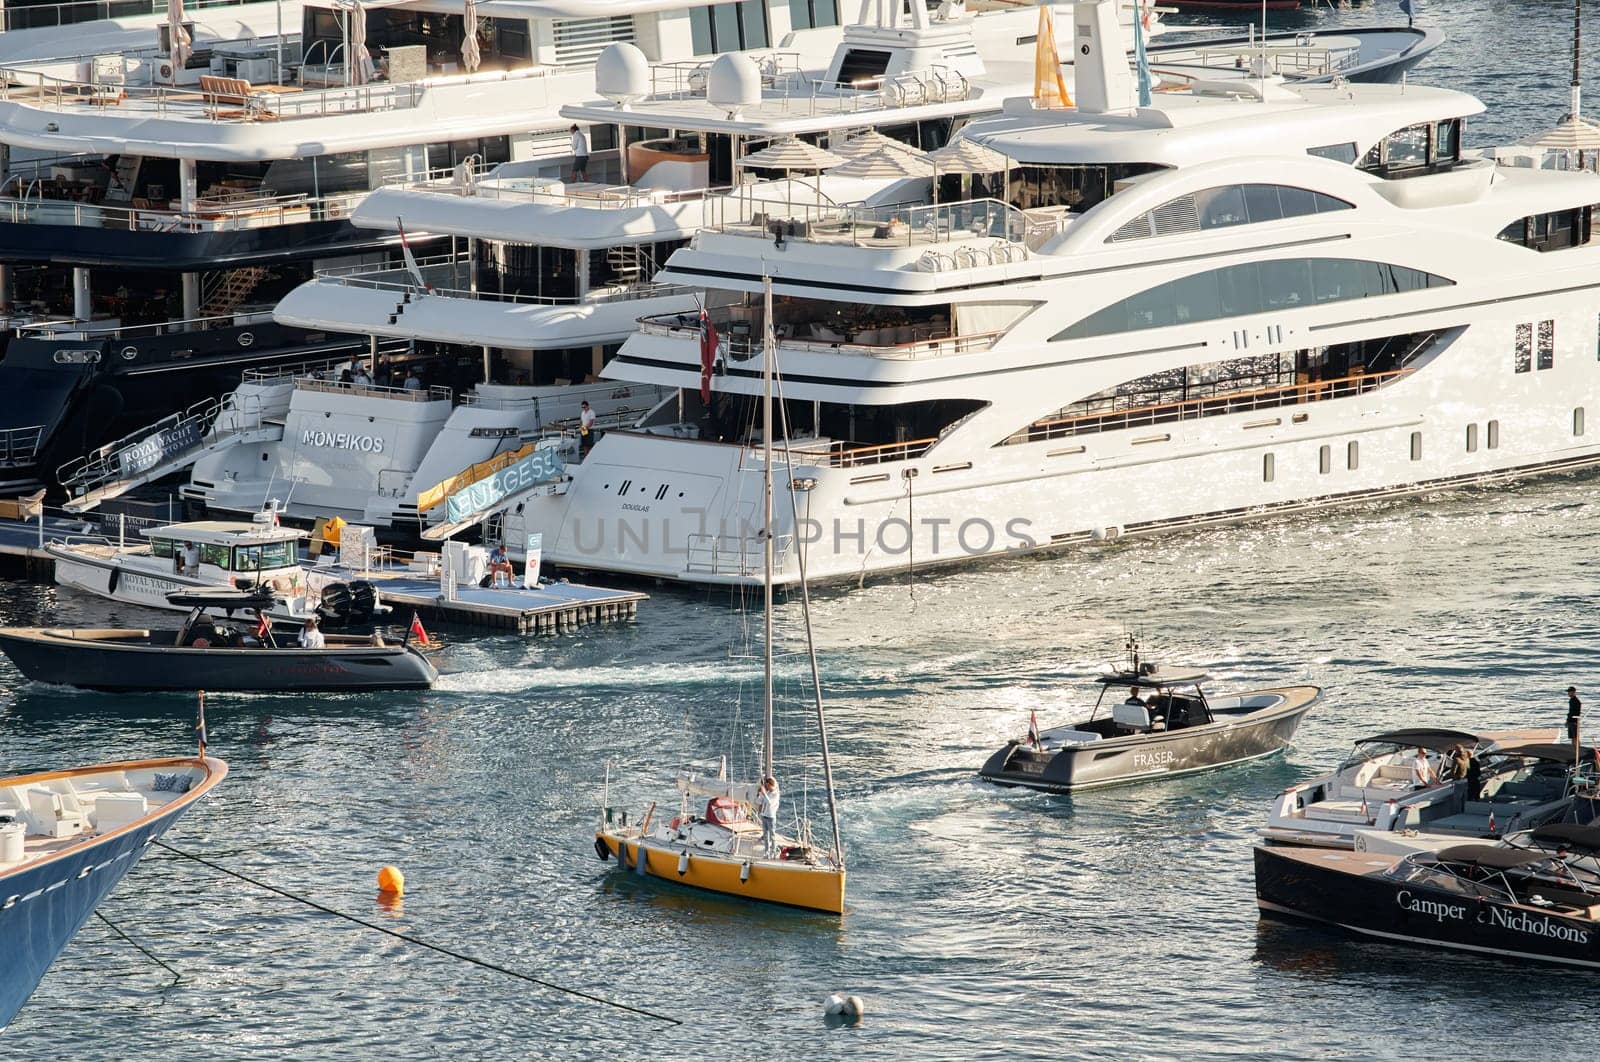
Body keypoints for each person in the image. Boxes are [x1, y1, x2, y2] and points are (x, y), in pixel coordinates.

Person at [756, 776, 780, 858]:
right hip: (764, 815)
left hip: (771, 817)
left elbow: (770, 803)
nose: (767, 787)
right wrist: (760, 794)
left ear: (771, 785)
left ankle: (773, 851)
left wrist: (764, 793)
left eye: (768, 785)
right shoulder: (768, 793)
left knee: (772, 835)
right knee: (766, 835)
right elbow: (759, 801)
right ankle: (767, 851)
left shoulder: (775, 794)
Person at [1568, 686, 1583, 755]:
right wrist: (1568, 720)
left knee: (1575, 737)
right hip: (1571, 720)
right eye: (1568, 692)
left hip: (1574, 721)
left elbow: (1576, 712)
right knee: (1572, 737)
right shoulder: (1571, 700)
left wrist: (1575, 720)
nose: (1568, 693)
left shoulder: (1576, 701)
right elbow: (1570, 712)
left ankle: (1578, 751)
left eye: (1569, 692)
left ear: (1573, 692)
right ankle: (1573, 751)